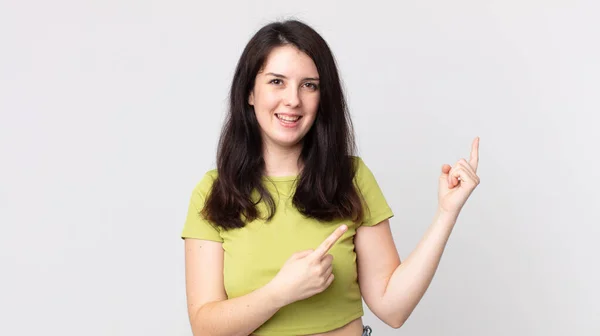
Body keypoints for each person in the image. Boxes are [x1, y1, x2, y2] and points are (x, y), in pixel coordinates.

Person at [181, 19, 480, 336]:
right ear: (249, 93)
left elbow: (393, 308)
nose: (293, 100)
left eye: (309, 85)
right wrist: (280, 292)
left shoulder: (350, 178)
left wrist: (447, 213)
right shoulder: (213, 192)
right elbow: (205, 328)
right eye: (277, 82)